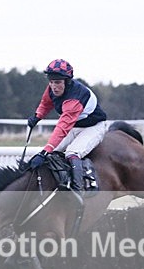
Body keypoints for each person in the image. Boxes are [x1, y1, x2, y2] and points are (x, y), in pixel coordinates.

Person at [27, 59, 107, 200]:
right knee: (52, 154)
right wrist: (37, 116)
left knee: (71, 153)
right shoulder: (51, 89)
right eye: (51, 82)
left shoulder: (74, 99)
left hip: (93, 127)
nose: (53, 86)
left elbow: (62, 127)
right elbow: (45, 103)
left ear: (67, 81)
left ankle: (78, 189)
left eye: (57, 82)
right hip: (75, 126)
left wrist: (46, 150)